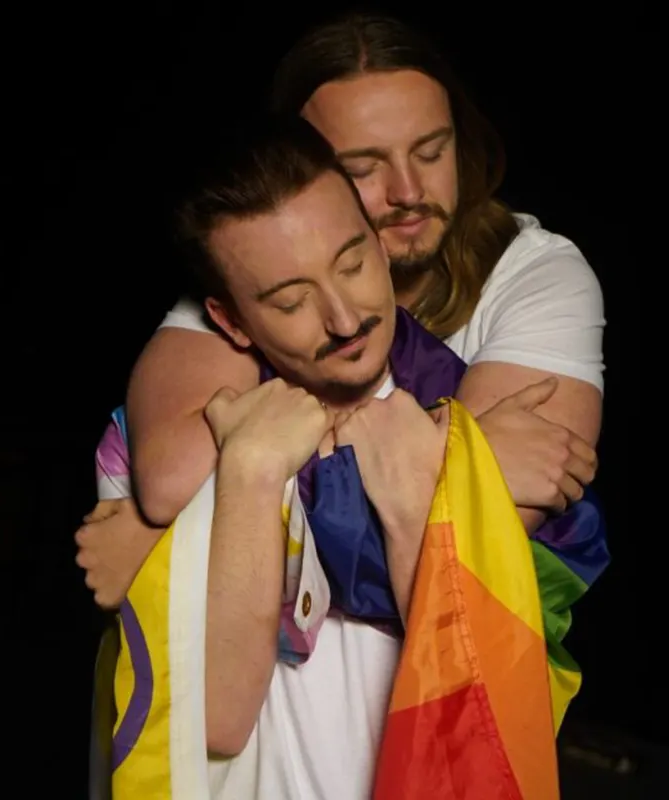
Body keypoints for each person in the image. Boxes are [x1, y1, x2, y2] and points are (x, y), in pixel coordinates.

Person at [101, 112, 598, 800]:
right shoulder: (205, 434)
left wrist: (441, 479)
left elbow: (490, 710)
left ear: (379, 243)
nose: (342, 318)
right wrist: (249, 470)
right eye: (291, 301)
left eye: (353, 262)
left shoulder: (466, 406)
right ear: (230, 321)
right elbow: (213, 721)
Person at [77, 12, 606, 610]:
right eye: (363, 169)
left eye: (432, 151)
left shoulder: (536, 273)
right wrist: (467, 454)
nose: (408, 192)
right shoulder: (245, 266)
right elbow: (174, 479)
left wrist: (171, 550)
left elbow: (478, 551)